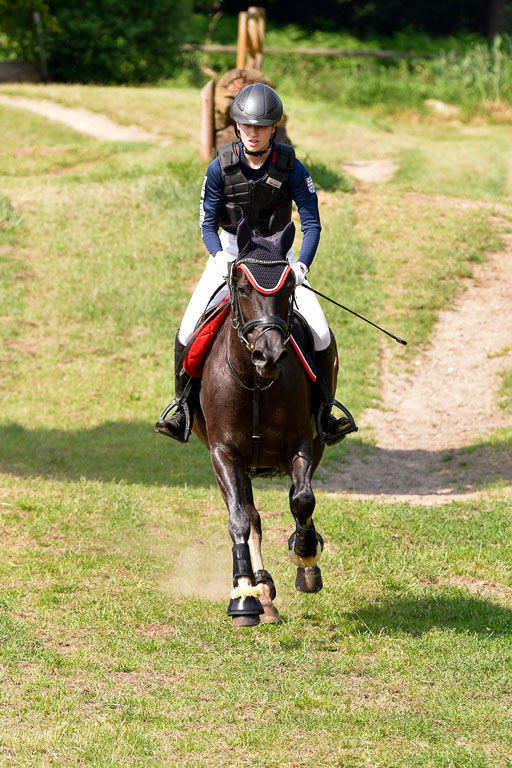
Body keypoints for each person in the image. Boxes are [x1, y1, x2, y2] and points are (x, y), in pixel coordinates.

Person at [155, 83, 353, 444]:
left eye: (261, 126)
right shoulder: (220, 168)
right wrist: (219, 256)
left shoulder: (293, 169)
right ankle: (182, 409)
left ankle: (325, 411)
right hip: (230, 255)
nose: (253, 132)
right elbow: (207, 223)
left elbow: (311, 224)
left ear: (273, 128)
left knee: (321, 333)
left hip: (279, 258)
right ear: (237, 126)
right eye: (247, 125)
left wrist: (302, 266)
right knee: (186, 332)